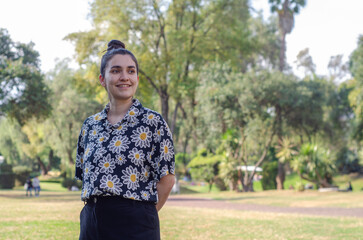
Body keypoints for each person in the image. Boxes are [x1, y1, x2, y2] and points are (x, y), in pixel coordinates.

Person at [75, 40, 175, 240]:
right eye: (116, 71)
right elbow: (85, 177)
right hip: (92, 224)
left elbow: (167, 180)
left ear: (137, 77)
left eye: (131, 71)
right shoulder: (90, 125)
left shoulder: (152, 122)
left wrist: (141, 216)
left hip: (136, 225)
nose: (124, 77)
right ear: (103, 79)